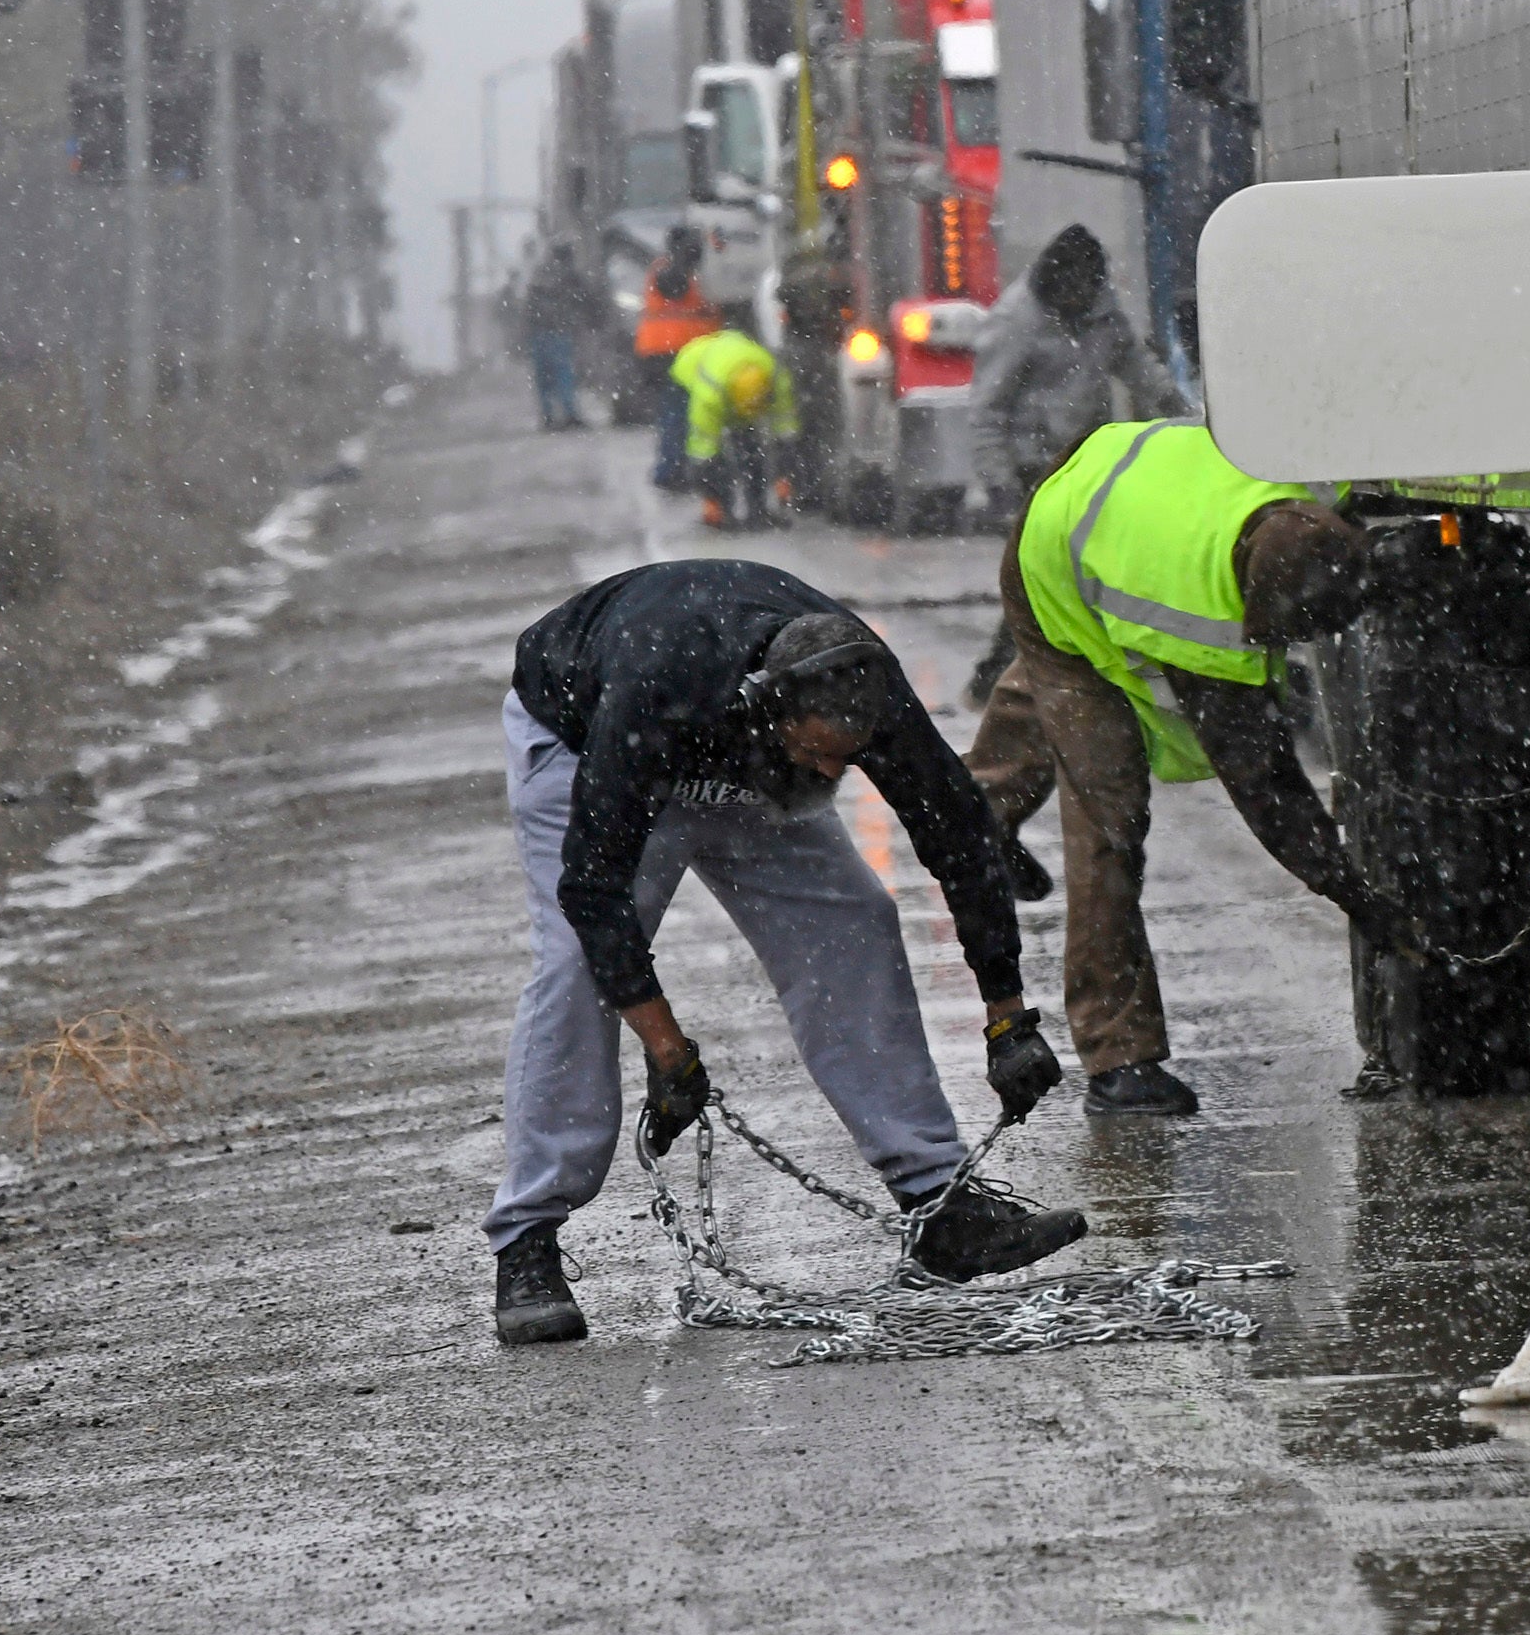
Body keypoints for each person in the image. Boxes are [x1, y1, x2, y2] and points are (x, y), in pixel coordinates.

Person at [488, 561, 1084, 1345]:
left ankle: (939, 1202)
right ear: (770, 709)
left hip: (746, 756)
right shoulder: (656, 690)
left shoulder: (865, 694)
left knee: (856, 921)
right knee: (577, 970)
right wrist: (668, 1053)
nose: (834, 775)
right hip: (590, 742)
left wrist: (1008, 1017)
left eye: (849, 757)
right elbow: (593, 893)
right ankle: (527, 1239)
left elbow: (962, 840)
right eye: (820, 755)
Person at [965, 420, 1405, 1116]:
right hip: (1048, 551)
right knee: (1107, 810)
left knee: (1067, 668)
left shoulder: (1303, 491)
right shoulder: (1191, 612)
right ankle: (1117, 1057)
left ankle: (974, 819)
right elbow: (1268, 791)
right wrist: (1358, 896)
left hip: (1100, 484)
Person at [963, 226, 1187, 705]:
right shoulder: (1016, 323)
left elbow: (1135, 364)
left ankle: (1018, 675)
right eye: (1074, 290)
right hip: (1035, 471)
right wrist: (1001, 483)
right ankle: (1006, 677)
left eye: (1089, 287)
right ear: (1054, 283)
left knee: (1072, 574)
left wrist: (1179, 409)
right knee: (1042, 576)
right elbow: (988, 410)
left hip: (1089, 462)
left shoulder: (1101, 313)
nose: (1081, 297)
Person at [671, 325, 800, 530]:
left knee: (752, 450)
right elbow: (702, 454)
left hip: (729, 364)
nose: (749, 417)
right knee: (712, 458)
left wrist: (784, 473)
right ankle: (722, 508)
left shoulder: (776, 377)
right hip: (691, 367)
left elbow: (785, 427)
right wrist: (710, 495)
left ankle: (758, 510)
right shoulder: (708, 397)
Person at [633, 233, 721, 491]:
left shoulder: (676, 269)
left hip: (668, 352)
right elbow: (674, 284)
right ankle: (672, 470)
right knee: (678, 414)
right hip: (674, 353)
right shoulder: (668, 269)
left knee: (675, 413)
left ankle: (674, 468)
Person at [521, 243, 606, 431]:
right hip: (560, 331)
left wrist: (525, 334)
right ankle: (570, 415)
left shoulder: (539, 274)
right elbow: (587, 298)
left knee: (543, 377)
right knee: (563, 374)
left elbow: (528, 306)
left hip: (539, 333)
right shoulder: (569, 275)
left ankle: (548, 417)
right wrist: (596, 319)